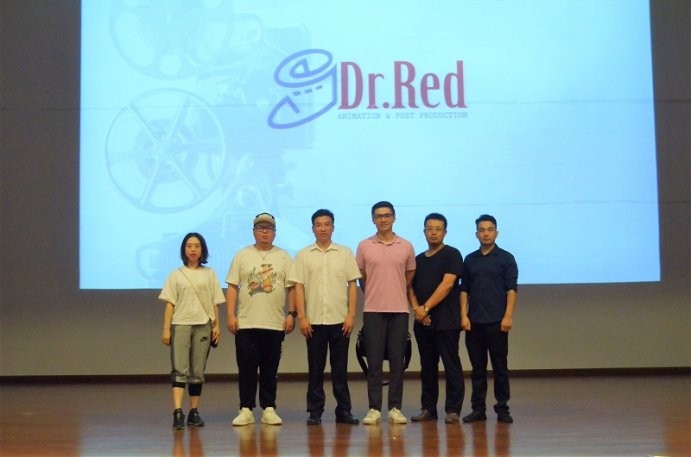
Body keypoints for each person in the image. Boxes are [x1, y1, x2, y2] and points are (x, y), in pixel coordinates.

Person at [289, 209, 361, 425]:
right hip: (313, 322)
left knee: (340, 369)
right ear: (313, 228)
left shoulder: (345, 253)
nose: (323, 228)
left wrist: (351, 315)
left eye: (327, 224)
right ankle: (315, 411)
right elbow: (298, 287)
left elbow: (352, 284)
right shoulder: (303, 255)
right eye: (318, 225)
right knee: (315, 369)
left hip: (340, 320)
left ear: (333, 227)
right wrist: (302, 317)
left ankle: (344, 411)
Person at [225, 212, 296, 426]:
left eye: (269, 228)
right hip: (246, 322)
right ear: (253, 231)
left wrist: (292, 313)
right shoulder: (242, 255)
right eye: (261, 228)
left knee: (270, 369)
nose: (265, 232)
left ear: (275, 232)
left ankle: (269, 408)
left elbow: (292, 288)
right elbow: (232, 286)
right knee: (246, 368)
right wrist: (230, 315)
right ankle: (245, 408)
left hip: (274, 323)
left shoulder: (284, 256)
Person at [355, 201, 416, 425]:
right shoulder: (364, 246)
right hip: (373, 310)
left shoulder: (406, 246)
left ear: (394, 217)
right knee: (374, 362)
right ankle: (374, 409)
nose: (383, 219)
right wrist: (375, 292)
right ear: (373, 219)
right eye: (379, 216)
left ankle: (395, 408)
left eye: (387, 215)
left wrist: (395, 289)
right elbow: (362, 277)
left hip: (399, 310)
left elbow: (409, 275)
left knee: (397, 362)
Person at [159, 232, 225, 430]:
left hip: (203, 324)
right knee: (179, 369)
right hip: (181, 324)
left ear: (202, 249)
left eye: (197, 246)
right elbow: (170, 303)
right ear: (184, 249)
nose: (193, 249)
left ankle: (193, 412)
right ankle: (178, 412)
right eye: (189, 246)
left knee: (197, 371)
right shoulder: (176, 274)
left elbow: (215, 302)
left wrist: (217, 325)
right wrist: (166, 329)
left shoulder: (210, 274)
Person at [460, 214, 518, 424]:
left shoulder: (506, 258)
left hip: (497, 322)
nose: (486, 233)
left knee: (500, 368)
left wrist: (508, 316)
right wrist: (463, 315)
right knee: (477, 369)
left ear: (496, 233)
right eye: (482, 230)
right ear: (476, 234)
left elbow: (511, 290)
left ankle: (502, 409)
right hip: (474, 323)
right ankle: (478, 409)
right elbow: (464, 290)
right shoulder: (470, 259)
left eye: (490, 229)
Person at [408, 213, 465, 424]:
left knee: (451, 366)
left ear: (445, 232)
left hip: (446, 322)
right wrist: (417, 310)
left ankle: (453, 410)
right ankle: (428, 408)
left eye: (438, 229)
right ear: (424, 232)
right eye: (430, 229)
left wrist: (426, 308)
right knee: (427, 367)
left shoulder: (452, 254)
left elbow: (447, 284)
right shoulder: (418, 260)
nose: (433, 233)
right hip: (423, 323)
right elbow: (409, 287)